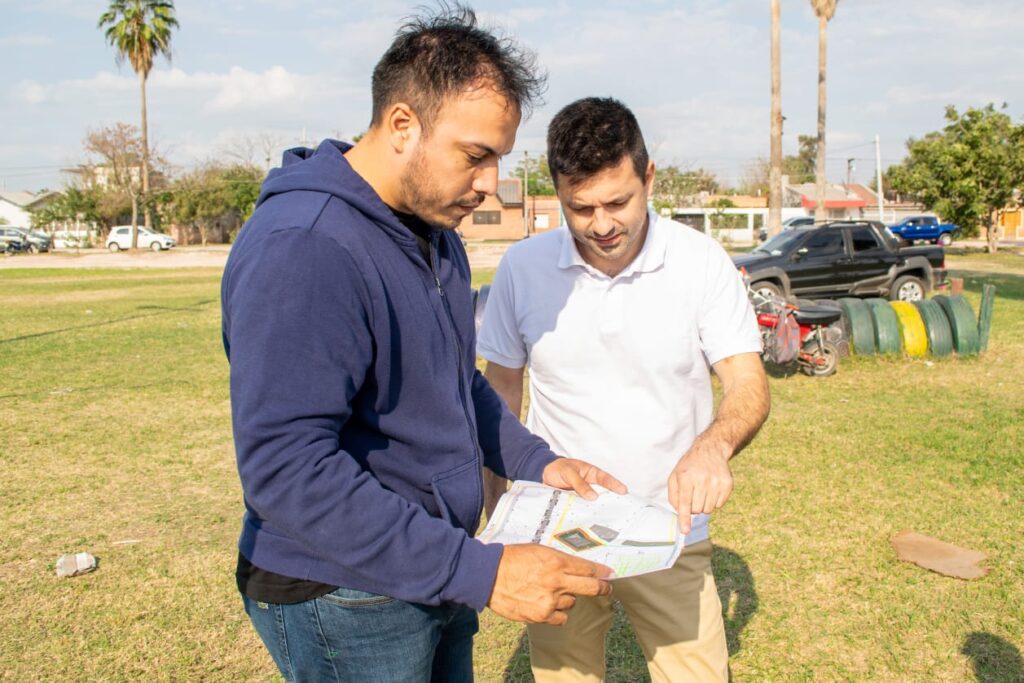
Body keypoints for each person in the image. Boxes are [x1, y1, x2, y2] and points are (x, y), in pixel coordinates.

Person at [221, 8, 626, 682]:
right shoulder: (308, 245)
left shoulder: (432, 231)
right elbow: (286, 468)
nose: (492, 181)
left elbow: (449, 378)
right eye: (476, 155)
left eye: (499, 157)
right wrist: (478, 571)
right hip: (343, 592)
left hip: (431, 563)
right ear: (402, 125)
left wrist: (535, 461)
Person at [478, 97, 771, 682]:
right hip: (557, 526)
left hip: (669, 527)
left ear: (649, 177)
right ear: (557, 193)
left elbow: (747, 383)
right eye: (579, 208)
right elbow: (501, 392)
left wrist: (713, 447)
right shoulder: (522, 267)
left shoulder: (700, 262)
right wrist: (498, 510)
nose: (601, 224)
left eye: (618, 201)